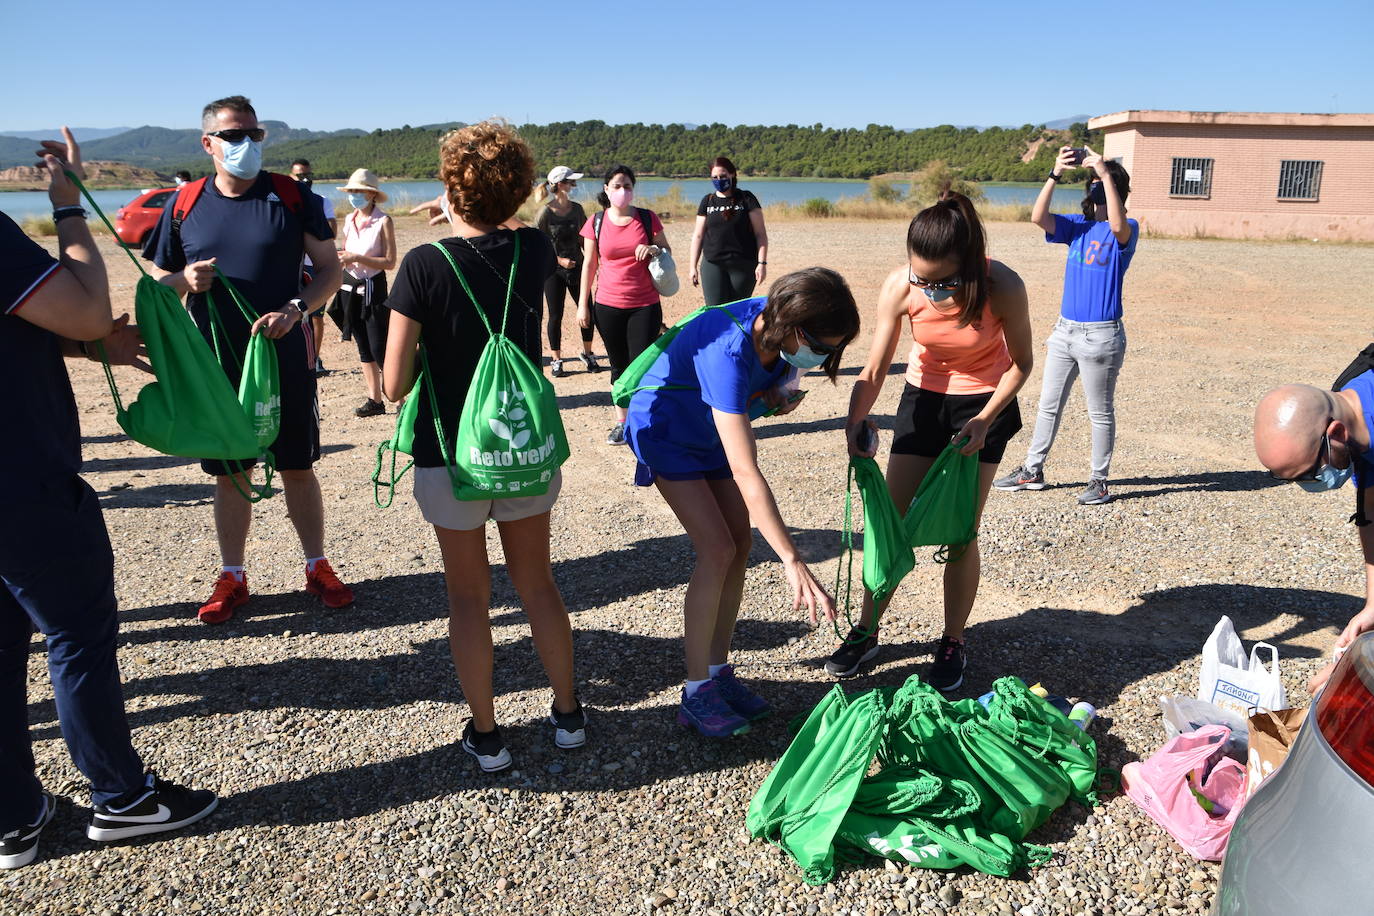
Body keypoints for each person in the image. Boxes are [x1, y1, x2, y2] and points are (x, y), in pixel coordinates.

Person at [1, 128, 216, 871]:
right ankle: (122, 799)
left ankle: (14, 817)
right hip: (21, 478)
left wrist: (86, 346)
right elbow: (89, 308)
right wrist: (67, 208)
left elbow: (36, 323)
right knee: (77, 635)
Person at [382, 120, 585, 773]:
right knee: (539, 584)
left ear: (449, 188)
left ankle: (488, 733)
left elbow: (391, 384)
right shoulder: (530, 249)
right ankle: (568, 716)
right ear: (522, 188)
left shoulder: (422, 264)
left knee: (468, 597)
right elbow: (508, 230)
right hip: (521, 448)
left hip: (451, 453)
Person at [143, 95, 354, 624]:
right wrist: (182, 280)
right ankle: (233, 576)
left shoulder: (290, 196)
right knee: (231, 471)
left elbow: (330, 269)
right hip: (216, 360)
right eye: (234, 136)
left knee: (297, 465)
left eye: (254, 136)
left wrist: (298, 308)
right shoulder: (185, 202)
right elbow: (156, 284)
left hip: (284, 354)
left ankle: (316, 565)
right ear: (208, 144)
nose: (247, 145)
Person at [624, 267, 859, 736]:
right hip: (667, 429)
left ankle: (716, 672)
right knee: (716, 550)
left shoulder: (772, 330)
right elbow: (746, 470)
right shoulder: (727, 349)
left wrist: (769, 397)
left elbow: (744, 401)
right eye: (823, 346)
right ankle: (694, 694)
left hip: (707, 428)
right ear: (793, 327)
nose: (827, 355)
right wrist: (793, 558)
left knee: (739, 546)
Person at [824, 194, 1033, 687]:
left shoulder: (1003, 286)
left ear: (970, 263)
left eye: (944, 282)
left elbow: (1022, 365)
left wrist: (984, 419)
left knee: (962, 531)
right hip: (924, 399)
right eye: (923, 279)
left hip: (983, 403)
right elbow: (874, 368)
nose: (932, 291)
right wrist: (856, 419)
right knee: (888, 525)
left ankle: (953, 640)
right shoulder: (902, 286)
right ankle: (866, 629)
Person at [994, 146, 1137, 506]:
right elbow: (1037, 216)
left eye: (1101, 188)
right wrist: (1056, 172)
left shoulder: (1126, 229)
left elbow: (1118, 226)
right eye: (1091, 187)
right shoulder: (1077, 227)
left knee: (1099, 411)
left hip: (1101, 336)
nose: (1095, 194)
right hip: (1065, 332)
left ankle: (1099, 481)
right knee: (1048, 404)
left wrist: (1106, 174)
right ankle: (1032, 470)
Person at [1255, 379, 1374, 692]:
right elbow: (1371, 510)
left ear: (1335, 433)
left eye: (1309, 474)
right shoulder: (1352, 402)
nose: (1309, 485)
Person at [576, 165, 672, 445]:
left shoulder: (646, 218)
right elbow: (589, 264)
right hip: (607, 305)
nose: (622, 191)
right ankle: (622, 422)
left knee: (642, 365)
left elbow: (666, 250)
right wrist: (583, 304)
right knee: (618, 366)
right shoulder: (595, 222)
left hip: (644, 304)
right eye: (617, 186)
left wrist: (653, 249)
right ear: (606, 189)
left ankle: (646, 421)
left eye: (627, 186)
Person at [331, 168, 396, 417]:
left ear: (371, 194)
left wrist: (357, 257)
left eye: (359, 191)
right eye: (351, 191)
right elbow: (347, 252)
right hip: (350, 287)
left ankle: (400, 399)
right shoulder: (349, 219)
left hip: (373, 289)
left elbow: (390, 262)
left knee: (380, 345)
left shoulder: (383, 221)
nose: (355, 196)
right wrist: (343, 260)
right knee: (362, 346)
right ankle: (375, 399)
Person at [533, 166, 601, 378]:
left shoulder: (578, 210)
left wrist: (595, 258)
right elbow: (536, 244)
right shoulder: (544, 212)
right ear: (560, 184)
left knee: (586, 310)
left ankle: (588, 354)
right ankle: (556, 359)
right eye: (570, 181)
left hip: (578, 269)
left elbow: (585, 239)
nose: (574, 185)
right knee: (555, 315)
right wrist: (558, 260)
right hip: (553, 272)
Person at [688, 156, 769, 306]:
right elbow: (698, 235)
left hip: (743, 264)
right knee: (715, 311)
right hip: (713, 263)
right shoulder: (707, 201)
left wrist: (762, 263)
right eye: (715, 177)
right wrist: (692, 266)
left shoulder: (746, 198)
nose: (719, 180)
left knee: (736, 311)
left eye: (723, 176)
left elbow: (760, 234)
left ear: (732, 174)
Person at [289, 157, 337, 378]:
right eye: (299, 175)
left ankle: (314, 359)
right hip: (293, 266)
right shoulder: (285, 199)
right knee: (293, 312)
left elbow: (332, 231)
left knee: (316, 316)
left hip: (314, 266)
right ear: (291, 175)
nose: (305, 179)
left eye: (308, 174)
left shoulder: (321, 200)